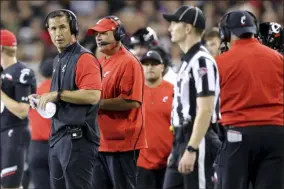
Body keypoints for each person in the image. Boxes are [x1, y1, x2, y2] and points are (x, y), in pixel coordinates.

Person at [28, 9, 102, 189]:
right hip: (58, 138)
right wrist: (42, 99)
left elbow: (93, 95)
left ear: (73, 29)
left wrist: (58, 94)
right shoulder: (58, 60)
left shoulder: (84, 58)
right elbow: (61, 98)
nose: (57, 33)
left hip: (77, 140)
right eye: (53, 29)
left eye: (62, 27)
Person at [215, 10, 284, 189]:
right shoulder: (278, 58)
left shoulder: (220, 62)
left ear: (225, 34)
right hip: (276, 133)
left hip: (239, 133)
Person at [162, 5, 221, 189]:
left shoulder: (202, 60)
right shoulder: (188, 60)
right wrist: (177, 147)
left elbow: (205, 109)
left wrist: (191, 147)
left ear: (188, 28)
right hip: (182, 139)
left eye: (174, 23)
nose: (170, 28)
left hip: (198, 138)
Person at [88, 16, 146, 189]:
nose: (98, 37)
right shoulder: (101, 62)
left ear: (119, 34)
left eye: (104, 33)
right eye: (96, 34)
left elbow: (132, 101)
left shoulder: (128, 62)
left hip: (123, 143)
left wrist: (97, 103)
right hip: (102, 142)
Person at [0, 29, 36, 189]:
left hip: (14, 132)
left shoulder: (21, 72)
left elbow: (22, 111)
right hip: (4, 132)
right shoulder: (4, 73)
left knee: (10, 186)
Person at [136, 50, 174, 189]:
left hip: (169, 160)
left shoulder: (173, 91)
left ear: (162, 67)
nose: (150, 67)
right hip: (141, 162)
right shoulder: (134, 92)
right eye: (146, 64)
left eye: (154, 64)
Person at [28, 58, 53, 189]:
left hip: (36, 148)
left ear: (41, 73)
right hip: (56, 146)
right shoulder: (61, 93)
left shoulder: (34, 93)